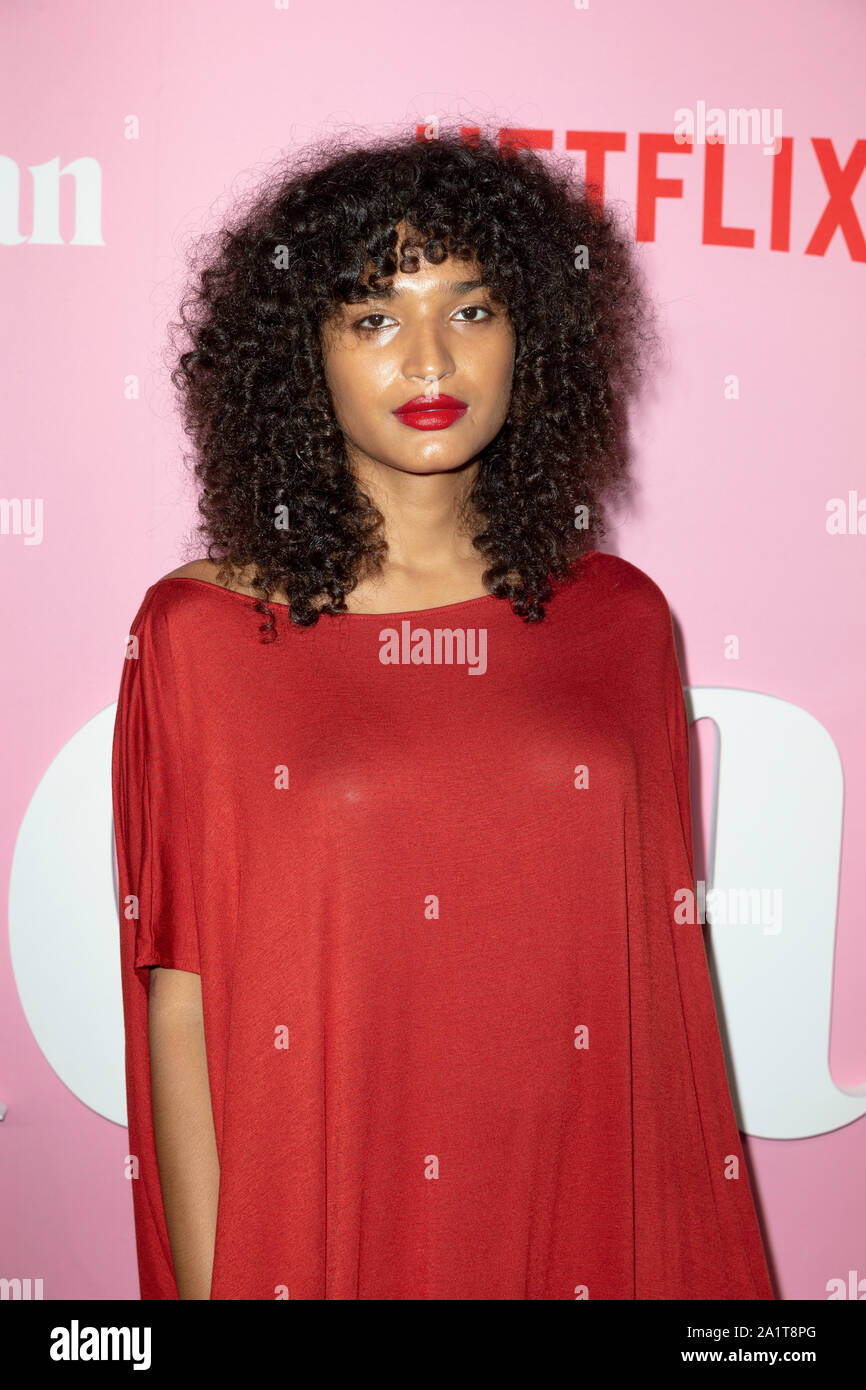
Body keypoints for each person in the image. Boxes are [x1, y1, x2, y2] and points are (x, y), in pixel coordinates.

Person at [112, 128, 775, 1300]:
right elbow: (184, 1010)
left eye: (470, 311)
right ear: (297, 359)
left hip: (585, 1223)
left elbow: (661, 1008)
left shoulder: (619, 618)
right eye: (373, 318)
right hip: (322, 1236)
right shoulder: (200, 635)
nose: (429, 358)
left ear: (533, 338)